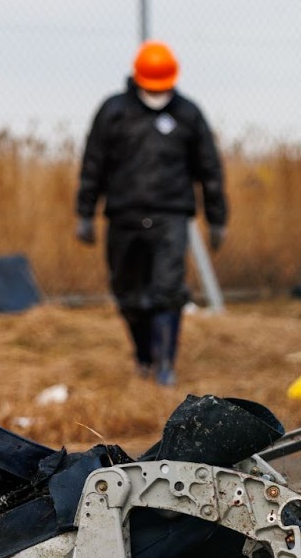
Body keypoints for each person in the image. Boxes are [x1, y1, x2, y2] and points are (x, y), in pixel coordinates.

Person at [76, 41, 227, 386]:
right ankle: (144, 357)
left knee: (168, 291)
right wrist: (84, 211)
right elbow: (93, 163)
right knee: (127, 293)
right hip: (123, 216)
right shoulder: (114, 111)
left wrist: (218, 218)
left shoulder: (188, 114)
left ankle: (165, 367)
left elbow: (210, 169)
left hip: (171, 217)